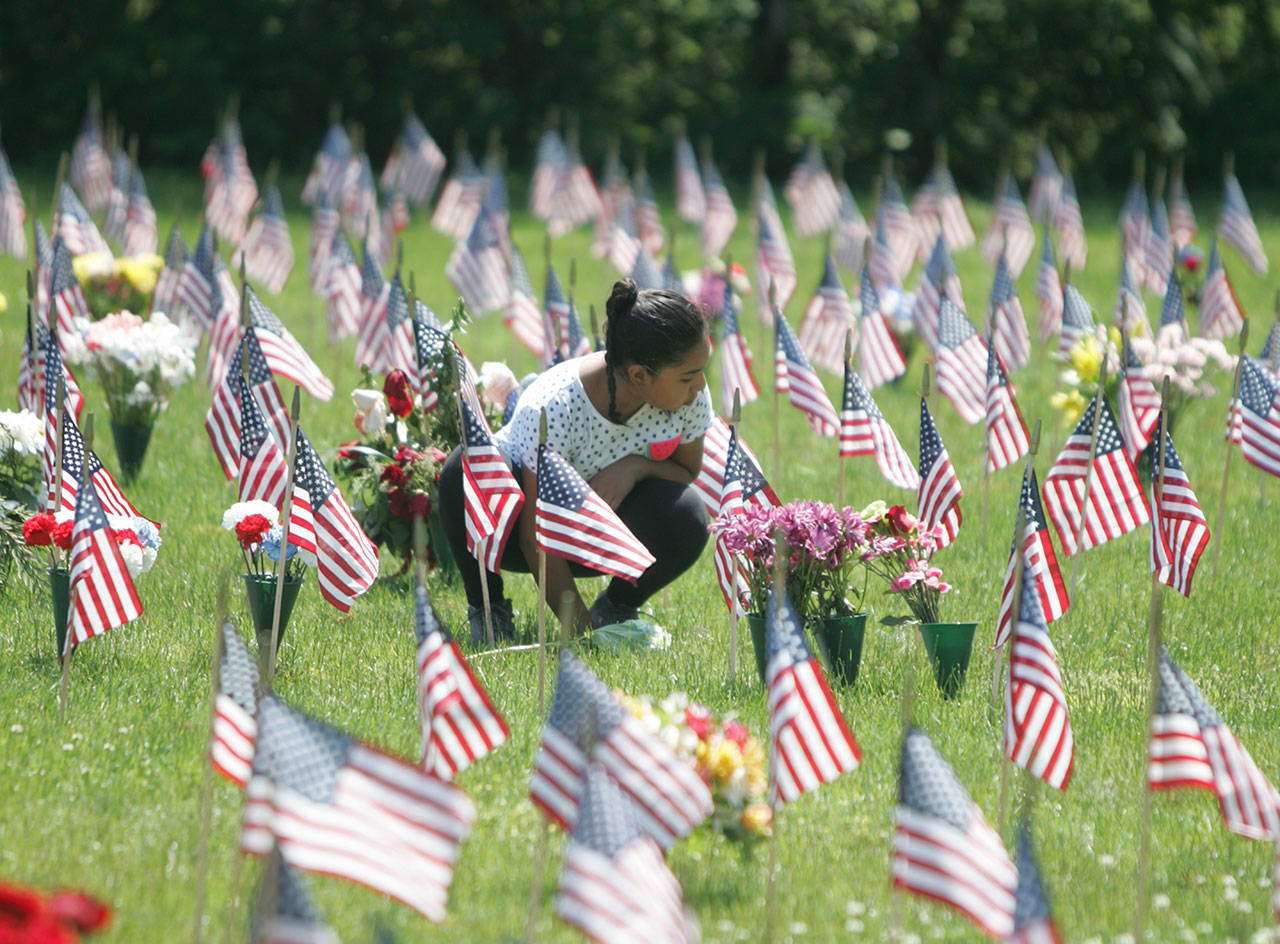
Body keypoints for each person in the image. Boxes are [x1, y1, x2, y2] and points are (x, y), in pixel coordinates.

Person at [438, 278, 713, 643]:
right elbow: (533, 538)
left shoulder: (689, 397)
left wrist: (634, 467)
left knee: (689, 515)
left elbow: (687, 470)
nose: (700, 386)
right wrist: (580, 632)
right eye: (688, 377)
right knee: (462, 471)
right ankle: (489, 611)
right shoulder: (553, 406)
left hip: (596, 536)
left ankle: (616, 607)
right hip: (519, 531)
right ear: (639, 376)